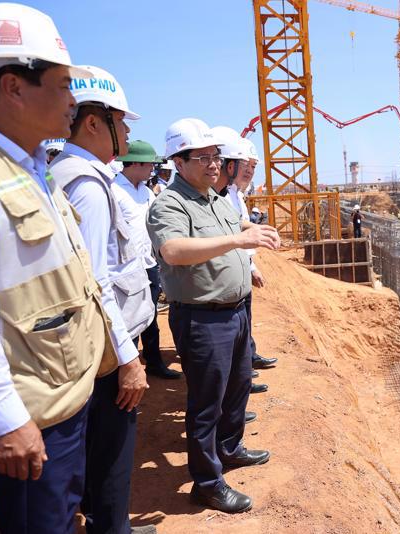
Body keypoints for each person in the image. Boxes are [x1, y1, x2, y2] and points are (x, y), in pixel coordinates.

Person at [0, 4, 116, 533]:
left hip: (61, 399)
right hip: (29, 418)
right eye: (63, 84)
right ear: (14, 87)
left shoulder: (35, 168)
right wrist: (5, 420)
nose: (73, 100)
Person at [147, 118, 281, 514]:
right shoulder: (169, 204)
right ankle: (206, 484)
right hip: (203, 318)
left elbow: (230, 223)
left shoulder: (214, 199)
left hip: (235, 313)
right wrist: (240, 239)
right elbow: (173, 251)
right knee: (206, 404)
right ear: (178, 161)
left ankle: (230, 448)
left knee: (237, 386)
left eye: (215, 157)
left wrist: (249, 227)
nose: (212, 164)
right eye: (202, 157)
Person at [50, 65, 153, 534]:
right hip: (110, 350)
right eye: (121, 120)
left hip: (98, 345)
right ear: (93, 123)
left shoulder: (74, 174)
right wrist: (128, 358)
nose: (128, 132)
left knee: (97, 450)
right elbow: (97, 283)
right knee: (112, 455)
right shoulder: (88, 187)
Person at [211, 126, 274, 395]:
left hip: (237, 273)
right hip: (222, 283)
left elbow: (238, 226)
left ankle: (244, 371)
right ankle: (238, 383)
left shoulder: (234, 195)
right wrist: (249, 266)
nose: (249, 171)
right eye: (245, 165)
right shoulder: (222, 196)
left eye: (253, 166)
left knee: (243, 326)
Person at [113, 140, 182, 379]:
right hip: (125, 268)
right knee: (128, 321)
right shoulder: (114, 191)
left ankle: (153, 363)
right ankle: (126, 368)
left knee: (150, 316)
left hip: (148, 265)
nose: (152, 170)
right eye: (149, 165)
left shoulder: (145, 192)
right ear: (136, 163)